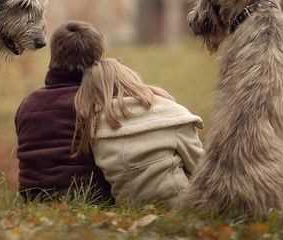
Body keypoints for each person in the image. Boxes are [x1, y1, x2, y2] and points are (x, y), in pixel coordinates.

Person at [72, 58, 204, 207]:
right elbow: (200, 169)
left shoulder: (93, 127)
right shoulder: (169, 114)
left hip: (128, 207)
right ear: (130, 79)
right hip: (178, 204)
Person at [15, 21, 113, 203]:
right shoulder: (96, 103)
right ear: (97, 61)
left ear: (53, 57)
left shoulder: (27, 104)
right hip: (88, 198)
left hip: (33, 198)